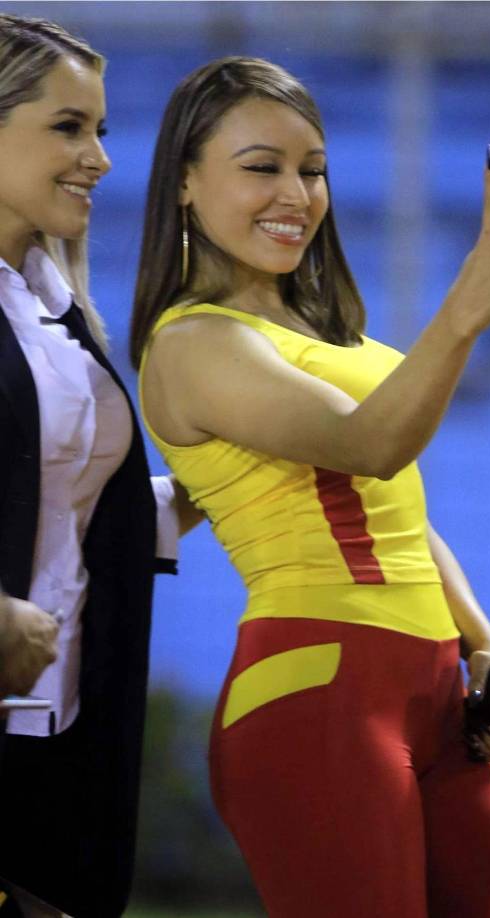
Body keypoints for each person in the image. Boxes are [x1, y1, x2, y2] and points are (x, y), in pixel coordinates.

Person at [132, 57, 490, 917]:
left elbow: (397, 508)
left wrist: (481, 647)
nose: (295, 195)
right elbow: (371, 446)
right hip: (315, 696)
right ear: (185, 183)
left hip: (435, 695)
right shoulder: (193, 344)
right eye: (261, 167)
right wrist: (466, 308)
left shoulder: (325, 336)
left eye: (312, 170)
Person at [0, 15, 198, 918]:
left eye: (101, 130)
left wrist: (218, 485)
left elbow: (60, 504)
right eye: (68, 127)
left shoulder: (58, 310)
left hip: (65, 735)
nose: (101, 159)